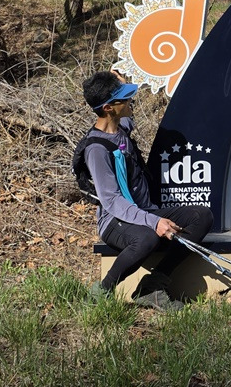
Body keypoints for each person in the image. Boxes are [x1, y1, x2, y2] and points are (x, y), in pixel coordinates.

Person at [80, 70, 213, 309]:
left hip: (143, 211)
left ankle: (152, 286)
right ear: (108, 108)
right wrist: (154, 222)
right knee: (147, 237)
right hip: (115, 220)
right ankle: (102, 292)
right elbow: (112, 201)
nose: (131, 100)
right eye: (125, 98)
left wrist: (120, 82)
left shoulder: (120, 129)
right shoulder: (96, 149)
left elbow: (127, 118)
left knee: (201, 216)